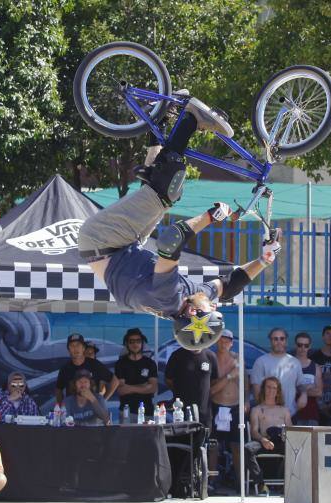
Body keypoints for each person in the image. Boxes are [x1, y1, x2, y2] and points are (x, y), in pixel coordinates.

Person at [78, 100, 281, 352]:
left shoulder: (167, 297)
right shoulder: (190, 299)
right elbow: (227, 287)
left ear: (193, 313)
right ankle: (158, 117)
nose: (214, 305)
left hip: (104, 239)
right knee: (157, 193)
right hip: (124, 246)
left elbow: (170, 241)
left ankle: (191, 118)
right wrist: (264, 260)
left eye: (211, 310)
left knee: (166, 191)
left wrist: (211, 216)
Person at [208, 329, 248, 489]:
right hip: (216, 405)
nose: (223, 343)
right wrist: (230, 376)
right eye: (221, 340)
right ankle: (211, 481)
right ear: (216, 341)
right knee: (213, 446)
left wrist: (246, 401)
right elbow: (211, 389)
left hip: (235, 407)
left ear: (231, 343)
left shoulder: (238, 359)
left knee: (237, 446)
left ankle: (240, 482)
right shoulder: (211, 358)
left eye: (227, 341)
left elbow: (245, 383)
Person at [245, 377, 291, 496]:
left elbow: (291, 431)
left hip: (281, 441)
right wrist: (263, 440)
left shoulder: (284, 410)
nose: (271, 390)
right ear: (263, 389)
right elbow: (254, 431)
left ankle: (289, 485)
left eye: (274, 388)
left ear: (278, 391)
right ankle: (261, 484)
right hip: (264, 440)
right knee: (247, 449)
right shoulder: (256, 409)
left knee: (295, 449)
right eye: (268, 387)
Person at [250, 328, 307, 422]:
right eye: (275, 339)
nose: (279, 342)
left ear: (286, 341)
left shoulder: (295, 362)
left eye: (282, 339)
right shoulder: (261, 362)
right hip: (268, 417)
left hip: (290, 414)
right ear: (270, 341)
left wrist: (304, 394)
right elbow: (257, 392)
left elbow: (300, 384)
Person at [55, 333, 118, 403]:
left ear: (83, 348)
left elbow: (115, 381)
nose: (75, 348)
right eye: (72, 346)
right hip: (72, 409)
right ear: (69, 350)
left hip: (93, 408)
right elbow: (58, 390)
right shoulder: (65, 369)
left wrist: (103, 401)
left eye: (78, 345)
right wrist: (60, 407)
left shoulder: (94, 364)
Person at [165, 345, 218, 426]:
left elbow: (214, 380)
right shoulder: (177, 355)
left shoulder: (210, 356)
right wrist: (178, 392)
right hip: (181, 412)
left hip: (204, 413)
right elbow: (168, 380)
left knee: (205, 434)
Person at [114, 328, 158, 422]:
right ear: (127, 344)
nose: (135, 344)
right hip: (127, 412)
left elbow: (153, 388)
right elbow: (121, 390)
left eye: (138, 341)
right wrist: (144, 386)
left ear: (142, 343)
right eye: (131, 341)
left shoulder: (150, 363)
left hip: (147, 411)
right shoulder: (120, 364)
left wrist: (129, 388)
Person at [293, 332, 322, 426]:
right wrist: (307, 388)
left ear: (310, 346)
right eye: (299, 345)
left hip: (311, 414)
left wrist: (298, 389)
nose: (303, 348)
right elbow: (286, 389)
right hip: (291, 413)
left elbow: (319, 392)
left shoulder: (315, 367)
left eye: (306, 345)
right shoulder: (288, 365)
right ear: (295, 345)